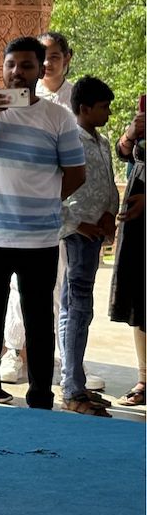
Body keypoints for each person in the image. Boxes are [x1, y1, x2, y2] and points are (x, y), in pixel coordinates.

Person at [0, 36, 85, 410]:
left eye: (27, 66)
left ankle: (41, 397)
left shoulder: (57, 116)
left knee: (39, 321)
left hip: (39, 238)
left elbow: (76, 173)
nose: (17, 73)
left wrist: (45, 199)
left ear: (40, 70)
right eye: (11, 65)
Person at [57, 76, 119, 416]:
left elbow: (108, 183)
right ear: (83, 109)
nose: (108, 113)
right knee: (78, 308)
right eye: (103, 107)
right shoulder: (69, 141)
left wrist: (111, 212)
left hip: (95, 232)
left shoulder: (102, 141)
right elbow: (54, 188)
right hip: (78, 231)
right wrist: (75, 223)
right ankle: (72, 388)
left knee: (75, 306)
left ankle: (74, 380)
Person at [110, 104, 146, 406]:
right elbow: (124, 152)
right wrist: (131, 132)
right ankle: (144, 379)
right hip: (138, 225)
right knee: (139, 298)